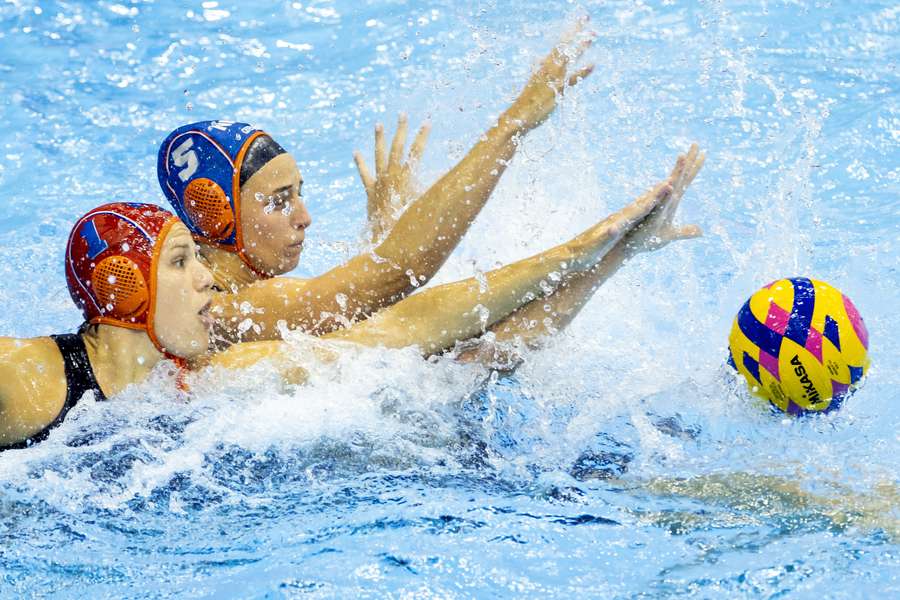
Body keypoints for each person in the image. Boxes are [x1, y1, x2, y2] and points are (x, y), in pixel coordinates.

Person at [0, 146, 701, 449]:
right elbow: (386, 284)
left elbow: (398, 332)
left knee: (458, 372)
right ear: (126, 292)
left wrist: (598, 252)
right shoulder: (31, 380)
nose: (208, 279)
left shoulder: (204, 383)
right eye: (182, 263)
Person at [157, 21, 596, 344]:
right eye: (279, 201)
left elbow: (360, 310)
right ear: (215, 215)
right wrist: (512, 125)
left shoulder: (247, 298)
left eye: (300, 194)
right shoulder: (213, 311)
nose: (305, 218)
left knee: (472, 350)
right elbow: (399, 274)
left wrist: (385, 230)